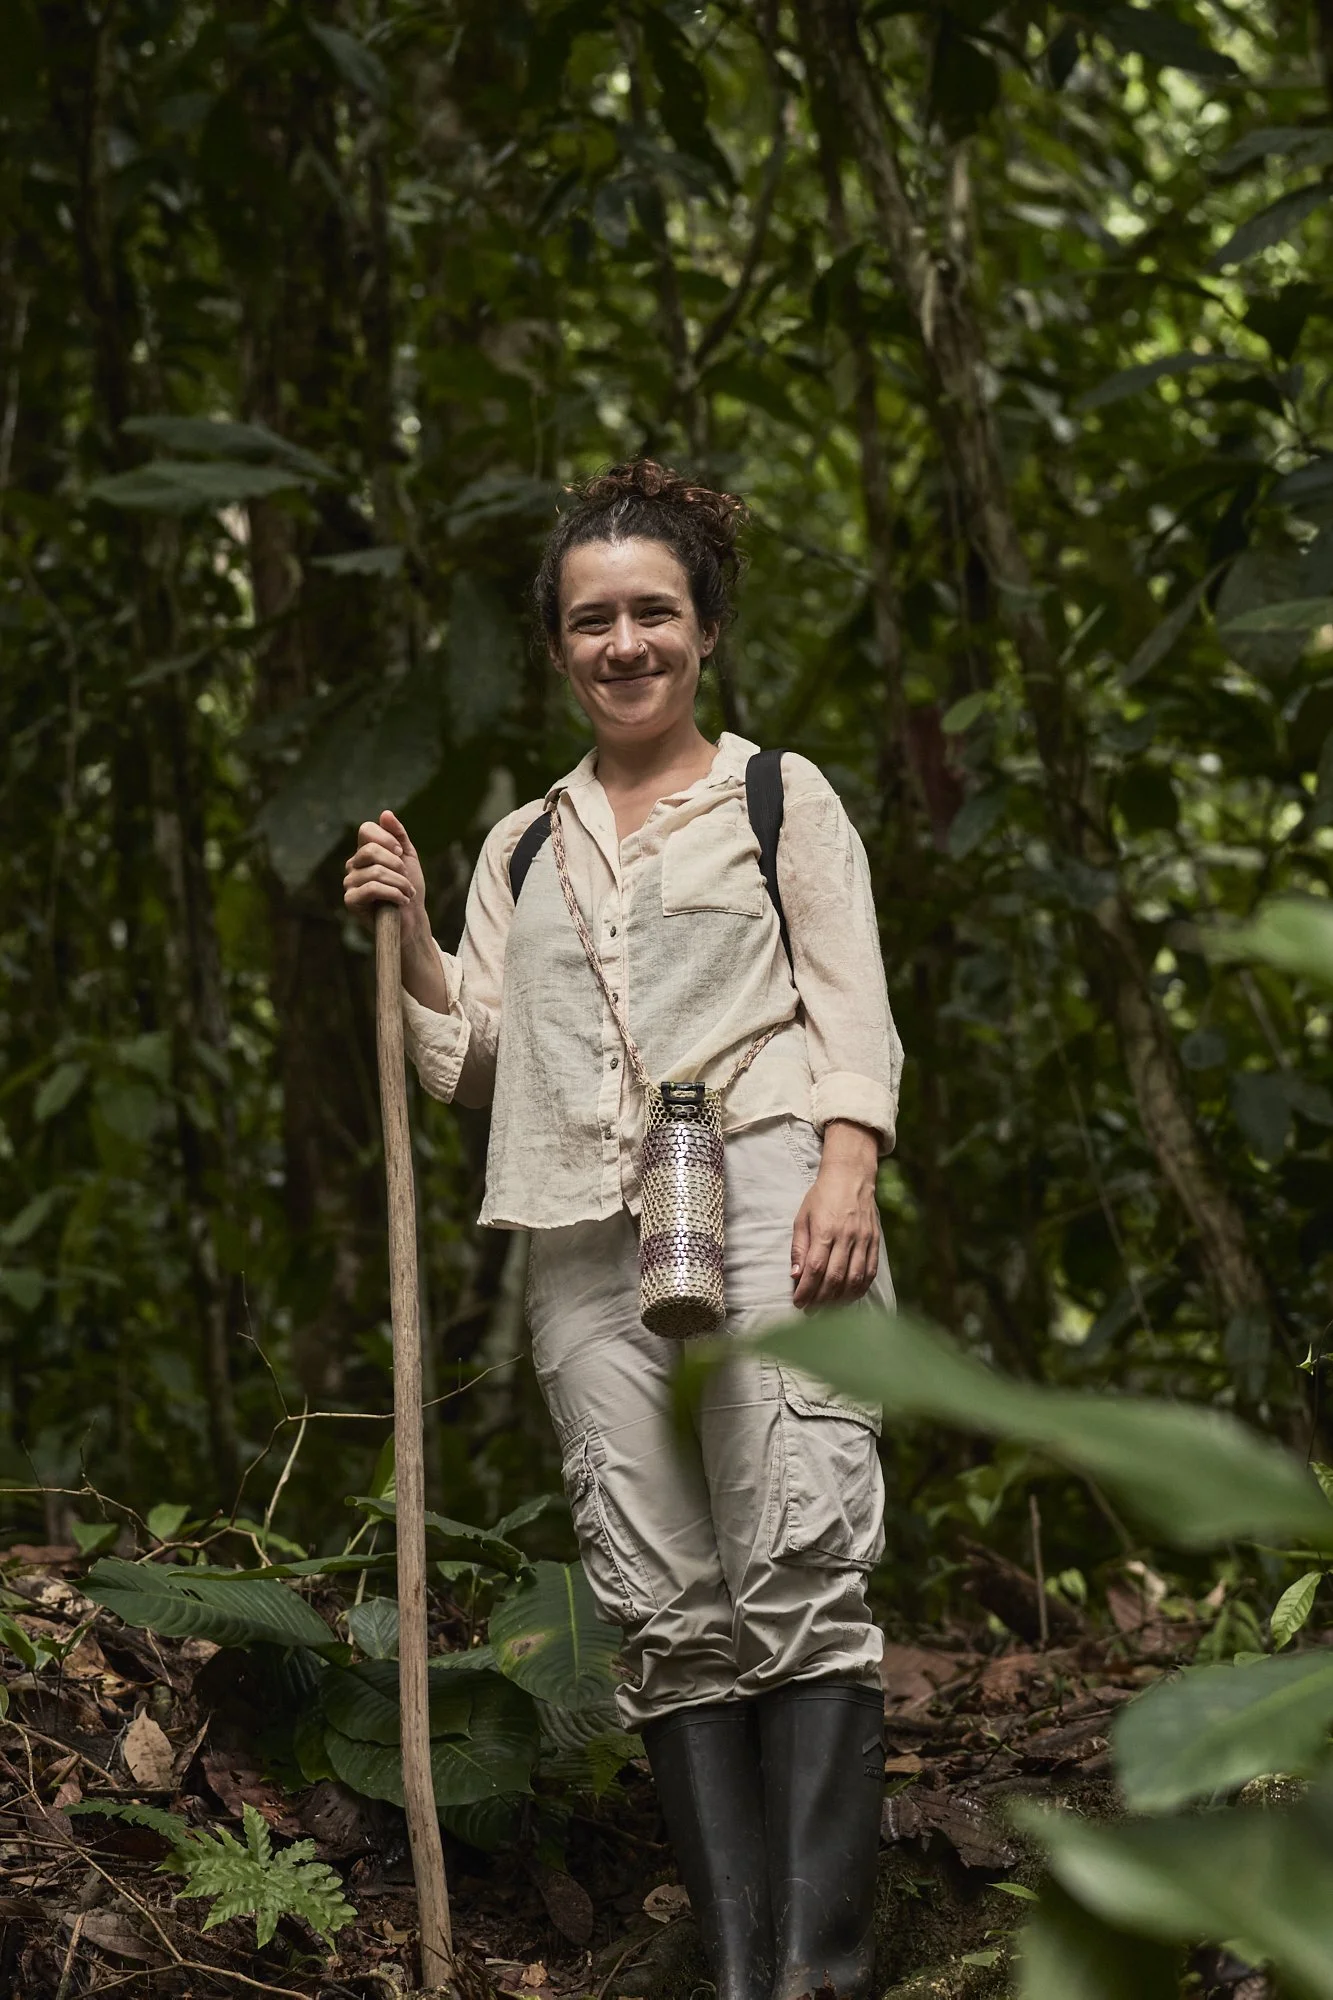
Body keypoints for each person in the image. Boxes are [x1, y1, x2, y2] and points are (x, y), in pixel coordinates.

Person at [343, 459, 904, 2000]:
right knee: (660, 1595)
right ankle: (737, 1973)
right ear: (558, 647)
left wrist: (850, 1167)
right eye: (593, 621)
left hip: (773, 1183)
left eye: (654, 611)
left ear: (706, 627)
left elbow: (854, 1003)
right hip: (582, 1226)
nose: (625, 644)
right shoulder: (521, 844)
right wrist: (407, 937)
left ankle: (823, 1973)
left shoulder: (781, 797)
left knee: (796, 1543)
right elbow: (465, 1067)